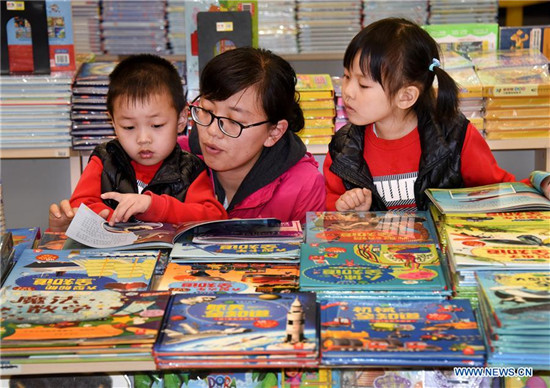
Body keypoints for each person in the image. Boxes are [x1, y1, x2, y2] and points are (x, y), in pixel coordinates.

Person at [324, 18, 550, 212]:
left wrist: (542, 182)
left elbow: (501, 191)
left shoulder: (455, 137)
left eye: (363, 85)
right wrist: (347, 209)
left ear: (406, 96)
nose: (348, 91)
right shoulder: (343, 148)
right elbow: (329, 204)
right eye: (345, 76)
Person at [49, 54, 226, 231]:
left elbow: (213, 216)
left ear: (181, 119)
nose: (143, 139)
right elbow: (80, 205)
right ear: (113, 123)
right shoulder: (104, 159)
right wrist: (112, 218)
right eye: (129, 127)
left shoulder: (190, 168)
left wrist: (154, 206)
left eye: (156, 125)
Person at [180, 47, 326, 223]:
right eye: (206, 110)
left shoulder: (303, 186)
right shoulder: (174, 158)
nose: (212, 130)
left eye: (234, 121)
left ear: (274, 132)